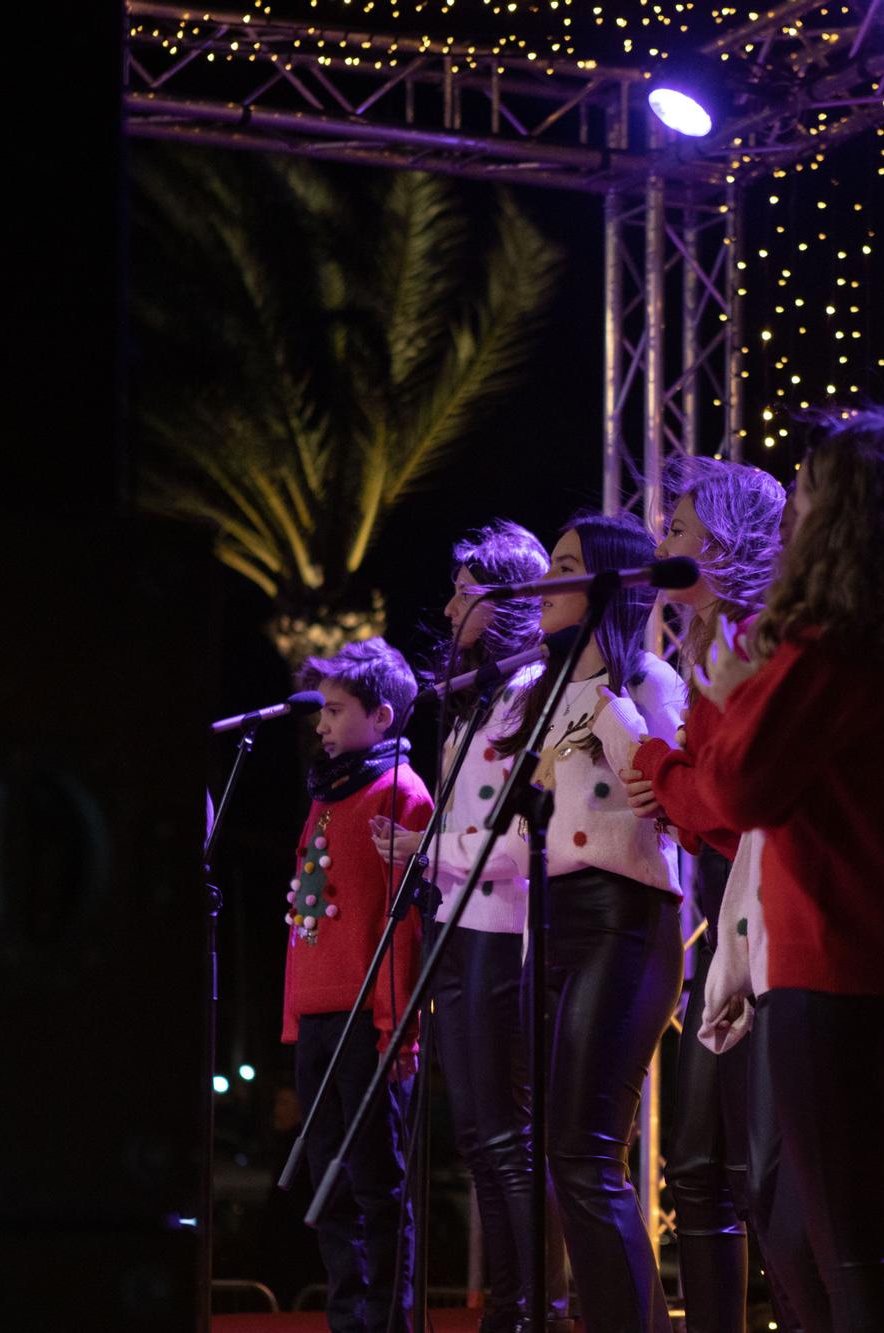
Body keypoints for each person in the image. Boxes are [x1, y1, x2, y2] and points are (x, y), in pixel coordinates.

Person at [628, 410, 884, 1333]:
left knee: (848, 1253)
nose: (793, 504)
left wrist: (694, 732)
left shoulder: (832, 639)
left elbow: (743, 786)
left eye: (807, 488)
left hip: (836, 958)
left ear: (845, 511)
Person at [606, 456, 800, 1333]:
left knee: (761, 1173)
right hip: (726, 906)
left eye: (677, 531)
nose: (662, 545)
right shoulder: (713, 643)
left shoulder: (757, 644)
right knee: (699, 1164)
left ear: (722, 544)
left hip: (762, 912)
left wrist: (657, 764)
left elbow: (727, 803)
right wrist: (682, 784)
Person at [490, 511, 687, 1333]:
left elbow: (670, 801)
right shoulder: (536, 693)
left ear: (606, 578)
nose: (545, 581)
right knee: (558, 1150)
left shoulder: (649, 679)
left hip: (624, 913)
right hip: (554, 917)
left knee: (585, 1150)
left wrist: (611, 708)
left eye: (565, 564)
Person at [369, 521, 562, 1333]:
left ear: (511, 596)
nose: (449, 606)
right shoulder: (474, 701)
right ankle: (510, 1305)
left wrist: (427, 845)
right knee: (481, 1134)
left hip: (503, 930)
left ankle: (533, 1307)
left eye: (466, 590)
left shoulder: (531, 697)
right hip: (457, 925)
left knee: (510, 1135)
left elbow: (524, 844)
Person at [284, 638, 435, 1333]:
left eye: (336, 710)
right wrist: (293, 1017)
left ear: (381, 716)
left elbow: (400, 920)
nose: (321, 724)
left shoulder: (399, 792)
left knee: (376, 1179)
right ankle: (348, 1319)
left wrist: (394, 1022)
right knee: (328, 1182)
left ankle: (387, 1322)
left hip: (368, 1018)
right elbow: (308, 915)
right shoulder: (327, 791)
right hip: (318, 1016)